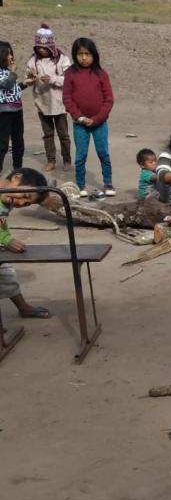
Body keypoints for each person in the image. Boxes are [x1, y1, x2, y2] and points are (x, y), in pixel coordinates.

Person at [62, 37, 116, 198]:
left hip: (100, 124)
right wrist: (79, 117)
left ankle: (108, 183)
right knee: (81, 156)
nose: (84, 58)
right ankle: (80, 185)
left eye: (87, 54)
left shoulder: (101, 74)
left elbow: (109, 99)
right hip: (80, 124)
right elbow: (67, 99)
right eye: (80, 54)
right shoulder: (70, 74)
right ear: (75, 55)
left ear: (94, 55)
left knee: (103, 153)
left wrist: (97, 118)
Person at [0, 166, 51, 320]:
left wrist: (6, 238)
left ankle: (23, 307)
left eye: (27, 203)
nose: (21, 202)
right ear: (16, 178)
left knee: (6, 272)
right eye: (25, 195)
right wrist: (6, 240)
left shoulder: (7, 199)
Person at [24, 24, 73, 173]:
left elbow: (70, 80)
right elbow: (27, 79)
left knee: (63, 134)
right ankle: (51, 160)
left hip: (59, 104)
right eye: (39, 47)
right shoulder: (33, 61)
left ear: (51, 46)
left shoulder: (62, 59)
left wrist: (52, 79)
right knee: (48, 134)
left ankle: (67, 160)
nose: (41, 50)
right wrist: (31, 80)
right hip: (42, 103)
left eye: (44, 47)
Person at [0, 40, 29, 173]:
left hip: (17, 111)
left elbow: (13, 89)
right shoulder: (7, 72)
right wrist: (13, 73)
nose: (11, 57)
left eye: (11, 53)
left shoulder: (8, 71)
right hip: (4, 113)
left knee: (18, 142)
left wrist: (26, 83)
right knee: (3, 144)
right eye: (7, 54)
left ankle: (18, 169)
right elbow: (5, 85)